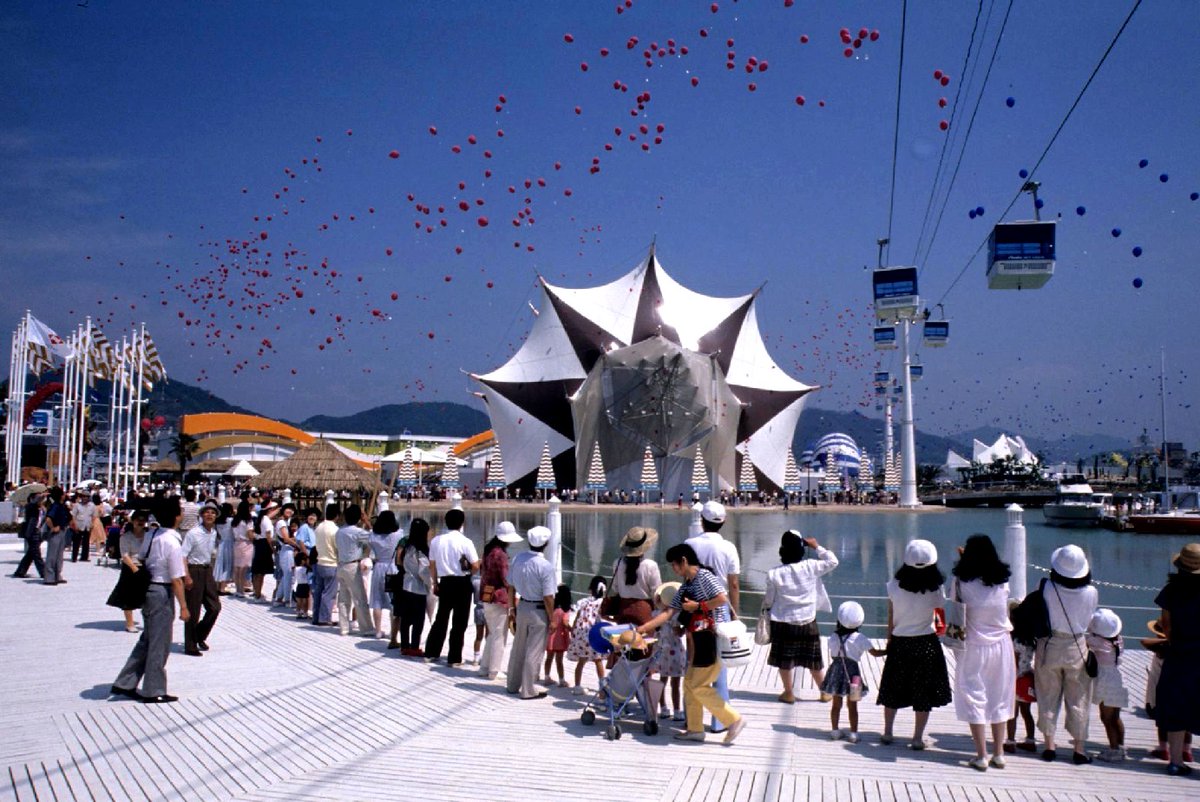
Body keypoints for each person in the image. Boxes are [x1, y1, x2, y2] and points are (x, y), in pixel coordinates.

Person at [637, 543, 747, 745]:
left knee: (698, 685)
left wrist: (698, 606)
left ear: (684, 561)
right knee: (689, 684)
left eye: (674, 565)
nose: (673, 569)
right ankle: (695, 728)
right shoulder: (687, 584)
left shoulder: (703, 577)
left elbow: (721, 598)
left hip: (711, 638)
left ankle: (733, 720)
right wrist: (645, 627)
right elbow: (669, 612)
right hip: (699, 639)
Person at [110, 496, 190, 704]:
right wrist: (184, 607)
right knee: (159, 643)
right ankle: (153, 690)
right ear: (176, 516)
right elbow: (176, 579)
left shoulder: (152, 534)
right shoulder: (172, 541)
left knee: (147, 639)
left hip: (148, 588)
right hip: (161, 590)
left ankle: (125, 681)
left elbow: (142, 557)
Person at [877, 538, 952, 750]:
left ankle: (888, 732)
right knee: (923, 692)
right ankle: (917, 737)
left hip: (900, 642)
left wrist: (889, 640)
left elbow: (891, 617)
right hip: (927, 643)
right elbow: (940, 623)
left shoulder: (893, 586)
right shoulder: (937, 589)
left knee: (892, 688)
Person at [951, 534, 1016, 771]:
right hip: (1002, 644)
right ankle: (999, 752)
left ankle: (981, 755)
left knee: (973, 695)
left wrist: (963, 561)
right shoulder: (1003, 580)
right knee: (1000, 696)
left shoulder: (961, 581)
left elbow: (956, 602)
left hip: (973, 644)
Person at [1035, 544, 1100, 765]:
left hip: (1049, 644)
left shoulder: (1046, 587)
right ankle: (1079, 749)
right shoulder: (1091, 592)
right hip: (1077, 645)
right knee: (1079, 698)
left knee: (1047, 696)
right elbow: (1090, 619)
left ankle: (1049, 745)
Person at [763, 529, 838, 704]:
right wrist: (817, 546)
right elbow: (833, 561)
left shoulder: (774, 573)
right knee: (814, 660)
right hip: (807, 620)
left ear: (782, 550)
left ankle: (788, 693)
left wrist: (767, 610)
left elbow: (769, 599)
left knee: (785, 660)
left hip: (783, 621)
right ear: (801, 549)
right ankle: (825, 691)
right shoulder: (811, 566)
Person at [686, 501, 741, 733]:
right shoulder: (729, 548)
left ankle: (693, 720)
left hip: (695, 611)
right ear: (723, 522)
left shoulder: (689, 545)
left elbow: (685, 580)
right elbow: (734, 584)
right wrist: (734, 615)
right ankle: (721, 721)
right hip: (719, 611)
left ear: (701, 520)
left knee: (695, 663)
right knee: (720, 665)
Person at [1151, 541, 1200, 776]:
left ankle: (1176, 761)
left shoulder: (1171, 591)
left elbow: (1166, 625)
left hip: (1179, 655)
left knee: (1176, 707)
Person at [823, 601, 886, 743]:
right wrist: (888, 651)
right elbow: (874, 653)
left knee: (836, 704)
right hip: (854, 676)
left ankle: (835, 731)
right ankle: (853, 733)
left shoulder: (833, 637)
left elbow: (833, 653)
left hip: (835, 673)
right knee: (853, 705)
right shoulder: (860, 638)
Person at [505, 525, 556, 699]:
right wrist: (553, 618)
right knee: (534, 650)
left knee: (518, 647)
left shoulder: (518, 558)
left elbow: (510, 586)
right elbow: (548, 597)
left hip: (522, 606)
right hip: (539, 610)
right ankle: (528, 689)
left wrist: (511, 608)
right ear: (546, 543)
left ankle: (512, 683)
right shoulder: (545, 566)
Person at [424, 508, 480, 666]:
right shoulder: (466, 542)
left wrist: (435, 583)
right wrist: (468, 570)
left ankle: (431, 652)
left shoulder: (436, 541)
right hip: (462, 583)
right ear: (462, 523)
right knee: (459, 622)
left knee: (441, 618)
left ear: (445, 522)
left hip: (445, 582)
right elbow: (475, 565)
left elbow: (432, 565)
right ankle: (454, 658)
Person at [478, 521, 522, 680]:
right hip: (499, 598)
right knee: (499, 635)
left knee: (493, 633)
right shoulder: (501, 555)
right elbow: (506, 579)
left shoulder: (488, 550)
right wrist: (515, 596)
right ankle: (494, 670)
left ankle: (485, 666)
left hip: (486, 594)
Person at [180, 500, 222, 656]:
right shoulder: (193, 533)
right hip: (194, 569)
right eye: (206, 512)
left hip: (206, 570)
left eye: (213, 513)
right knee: (193, 609)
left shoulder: (214, 533)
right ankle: (190, 645)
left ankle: (199, 635)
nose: (209, 515)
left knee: (214, 607)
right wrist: (187, 576)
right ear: (201, 515)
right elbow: (183, 555)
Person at [1086, 608, 1128, 763]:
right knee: (1116, 717)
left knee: (1106, 718)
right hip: (1116, 678)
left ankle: (1114, 748)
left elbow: (1082, 643)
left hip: (1104, 680)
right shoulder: (1118, 640)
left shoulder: (1096, 641)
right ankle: (1121, 746)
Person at [604, 527, 662, 626]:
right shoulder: (650, 565)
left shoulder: (617, 563)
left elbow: (615, 588)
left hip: (623, 609)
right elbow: (656, 593)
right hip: (645, 610)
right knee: (644, 640)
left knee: (624, 639)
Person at [390, 517, 432, 655]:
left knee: (406, 617)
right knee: (418, 619)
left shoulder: (408, 547)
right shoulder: (421, 550)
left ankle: (405, 645)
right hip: (418, 588)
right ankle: (414, 646)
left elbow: (400, 562)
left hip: (406, 584)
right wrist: (430, 583)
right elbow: (423, 571)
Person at [106, 509, 149, 632]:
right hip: (131, 567)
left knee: (147, 597)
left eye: (143, 520)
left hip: (145, 566)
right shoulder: (126, 536)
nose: (140, 522)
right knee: (128, 596)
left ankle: (148, 622)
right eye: (138, 520)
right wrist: (135, 570)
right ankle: (129, 623)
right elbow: (125, 555)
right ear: (133, 521)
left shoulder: (148, 535)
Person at [334, 505, 373, 636]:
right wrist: (367, 522)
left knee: (343, 598)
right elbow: (373, 538)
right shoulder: (357, 532)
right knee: (360, 598)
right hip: (352, 566)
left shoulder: (340, 531)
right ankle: (366, 628)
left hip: (341, 565)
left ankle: (344, 627)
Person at [566, 575, 609, 695]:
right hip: (594, 633)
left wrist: (573, 630)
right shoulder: (602, 603)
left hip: (582, 634)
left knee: (581, 660)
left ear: (591, 589)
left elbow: (578, 616)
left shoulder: (584, 601)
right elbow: (603, 617)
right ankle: (602, 688)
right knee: (598, 660)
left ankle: (577, 686)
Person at [650, 580, 685, 719]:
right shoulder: (676, 616)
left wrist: (657, 601)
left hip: (661, 652)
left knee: (662, 681)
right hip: (675, 652)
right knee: (675, 684)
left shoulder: (656, 614)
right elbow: (680, 632)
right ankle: (677, 710)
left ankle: (663, 708)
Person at [367, 510, 403, 638]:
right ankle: (394, 631)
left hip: (378, 567)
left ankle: (377, 630)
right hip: (391, 568)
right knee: (393, 601)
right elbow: (400, 531)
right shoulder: (397, 535)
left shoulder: (373, 536)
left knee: (377, 600)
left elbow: (371, 534)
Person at [311, 505, 340, 626]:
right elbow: (337, 547)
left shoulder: (319, 527)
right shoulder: (335, 530)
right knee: (329, 593)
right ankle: (325, 618)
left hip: (320, 562)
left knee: (318, 591)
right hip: (331, 563)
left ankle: (316, 616)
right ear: (337, 515)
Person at [11, 490, 46, 579]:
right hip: (32, 532)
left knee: (31, 553)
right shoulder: (30, 506)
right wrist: (40, 496)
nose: (40, 499)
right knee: (36, 554)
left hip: (39, 532)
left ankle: (20, 571)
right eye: (37, 497)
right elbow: (34, 504)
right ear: (32, 499)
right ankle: (44, 572)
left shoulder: (41, 508)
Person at [543, 584, 572, 687]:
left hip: (550, 637)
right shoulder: (565, 610)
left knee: (549, 658)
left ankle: (546, 677)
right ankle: (561, 680)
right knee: (559, 660)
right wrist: (571, 629)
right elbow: (564, 622)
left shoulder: (553, 609)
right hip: (560, 639)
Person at [42, 486, 72, 585]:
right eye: (63, 494)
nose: (65, 495)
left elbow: (69, 517)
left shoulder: (62, 506)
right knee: (52, 555)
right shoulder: (55, 506)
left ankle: (57, 575)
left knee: (59, 555)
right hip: (56, 532)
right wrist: (53, 528)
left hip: (63, 530)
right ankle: (49, 577)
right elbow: (48, 519)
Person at [250, 501, 279, 600]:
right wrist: (273, 549)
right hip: (264, 545)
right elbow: (268, 536)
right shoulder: (266, 520)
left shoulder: (261, 518)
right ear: (269, 509)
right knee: (261, 573)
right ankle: (258, 594)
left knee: (257, 571)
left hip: (259, 544)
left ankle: (256, 592)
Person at [272, 503, 298, 607]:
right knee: (288, 576)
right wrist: (298, 544)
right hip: (286, 550)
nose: (290, 512)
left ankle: (278, 598)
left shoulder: (284, 522)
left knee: (286, 576)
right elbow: (286, 539)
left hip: (286, 550)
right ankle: (287, 599)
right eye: (288, 509)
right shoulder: (282, 523)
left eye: (292, 510)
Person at [230, 501, 255, 596]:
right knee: (243, 568)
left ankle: (238, 589)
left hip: (236, 543)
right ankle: (241, 590)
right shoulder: (248, 521)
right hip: (246, 544)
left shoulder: (235, 520)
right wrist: (254, 537)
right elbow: (250, 534)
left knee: (237, 568)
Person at [212, 502, 235, 594]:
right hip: (229, 544)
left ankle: (218, 586)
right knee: (227, 565)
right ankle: (222, 587)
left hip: (221, 543)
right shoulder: (230, 520)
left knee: (220, 564)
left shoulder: (218, 521)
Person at [69, 490, 96, 562]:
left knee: (86, 542)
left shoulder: (92, 506)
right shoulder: (77, 505)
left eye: (86, 497)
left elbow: (94, 516)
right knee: (76, 542)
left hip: (87, 525)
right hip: (79, 525)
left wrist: (92, 524)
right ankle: (74, 557)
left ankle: (84, 557)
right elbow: (73, 516)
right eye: (83, 496)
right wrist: (75, 525)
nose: (84, 498)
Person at [293, 551, 311, 619]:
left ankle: (298, 612)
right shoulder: (304, 569)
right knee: (305, 600)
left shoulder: (296, 569)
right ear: (302, 561)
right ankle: (305, 612)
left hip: (299, 585)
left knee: (299, 600)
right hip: (305, 585)